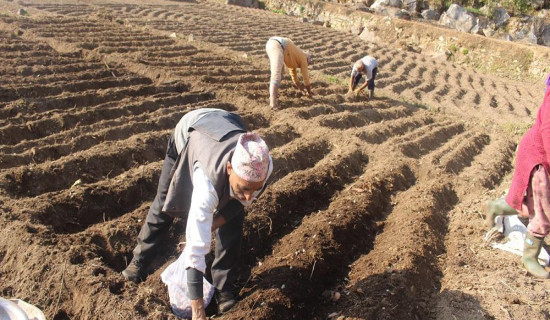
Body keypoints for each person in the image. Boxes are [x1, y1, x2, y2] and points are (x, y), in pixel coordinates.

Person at [122, 108, 273, 318]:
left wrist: (217, 220)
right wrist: (198, 309)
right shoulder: (206, 186)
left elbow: (241, 202)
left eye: (254, 189)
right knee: (165, 201)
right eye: (245, 188)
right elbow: (196, 248)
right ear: (229, 168)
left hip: (227, 124)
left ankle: (224, 288)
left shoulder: (262, 165)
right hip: (190, 133)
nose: (250, 197)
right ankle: (139, 260)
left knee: (233, 223)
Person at [498, 89, 550, 279]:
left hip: (540, 154)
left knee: (526, 203)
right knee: (543, 209)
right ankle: (530, 258)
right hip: (538, 157)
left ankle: (497, 208)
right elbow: (548, 135)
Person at [265, 36, 313, 109]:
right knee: (276, 75)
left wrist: (302, 90)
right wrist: (309, 93)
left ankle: (272, 96)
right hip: (277, 45)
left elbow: (294, 78)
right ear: (308, 57)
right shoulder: (304, 57)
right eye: (309, 61)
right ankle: (272, 104)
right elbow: (306, 78)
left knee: (280, 73)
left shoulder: (295, 59)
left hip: (274, 45)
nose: (309, 63)